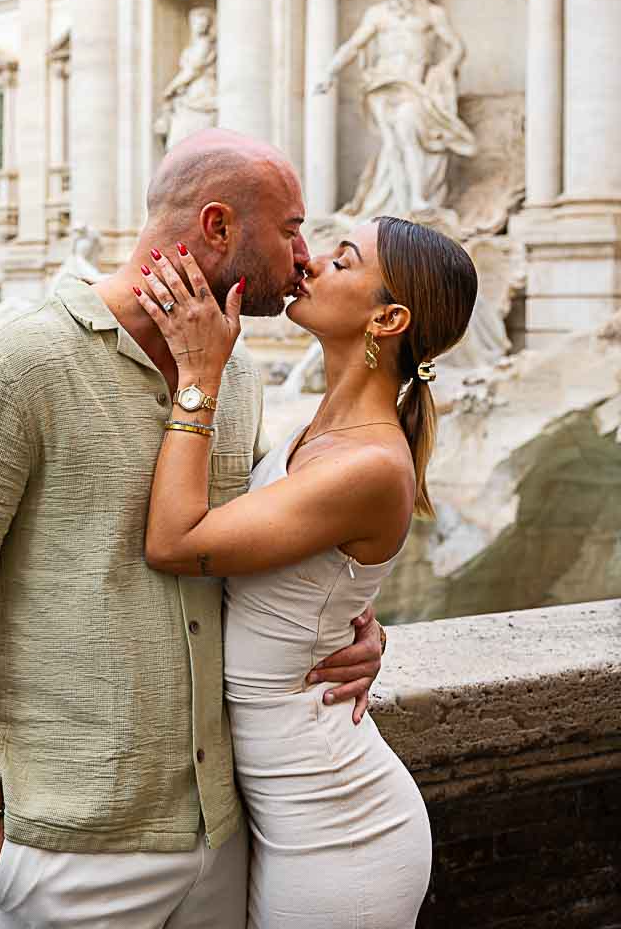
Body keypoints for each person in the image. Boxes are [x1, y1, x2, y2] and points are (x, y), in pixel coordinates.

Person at [0, 130, 386, 928]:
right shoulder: (21, 358)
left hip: (224, 833)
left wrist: (355, 624)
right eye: (291, 229)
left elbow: (258, 552)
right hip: (69, 853)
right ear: (218, 228)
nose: (303, 257)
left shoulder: (238, 374)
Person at [133, 215, 479, 928]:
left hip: (341, 835)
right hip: (275, 816)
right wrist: (353, 624)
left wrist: (198, 378)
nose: (312, 264)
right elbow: (317, 582)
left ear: (387, 317)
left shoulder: (369, 464)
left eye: (343, 261)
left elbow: (173, 540)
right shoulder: (316, 427)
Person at [314, 0, 475, 217]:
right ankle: (402, 210)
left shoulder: (431, 13)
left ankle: (417, 198)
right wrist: (329, 73)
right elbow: (354, 45)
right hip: (382, 85)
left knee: (407, 128)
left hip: (412, 86)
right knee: (392, 144)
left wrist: (445, 66)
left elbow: (457, 46)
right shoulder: (377, 14)